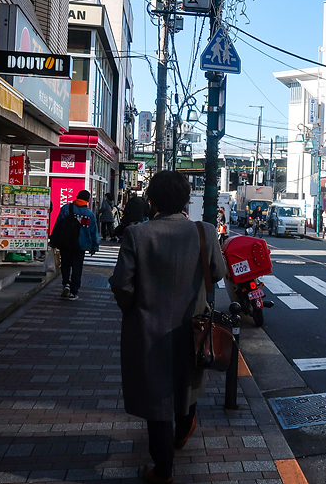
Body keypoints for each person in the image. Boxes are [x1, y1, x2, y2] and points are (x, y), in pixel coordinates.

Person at [108, 171, 226, 484]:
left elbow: (121, 284)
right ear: (186, 200)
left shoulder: (137, 234)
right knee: (187, 380)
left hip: (148, 330)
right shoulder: (205, 232)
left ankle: (163, 470)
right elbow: (217, 272)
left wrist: (135, 310)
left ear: (152, 200)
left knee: (157, 399)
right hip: (193, 326)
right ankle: (184, 428)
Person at [53, 190, 100, 300]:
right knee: (77, 267)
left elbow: (58, 224)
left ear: (77, 197)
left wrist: (54, 240)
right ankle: (74, 292)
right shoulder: (89, 215)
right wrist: (94, 247)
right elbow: (93, 232)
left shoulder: (66, 208)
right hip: (80, 245)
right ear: (88, 200)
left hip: (65, 243)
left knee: (65, 264)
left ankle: (66, 284)